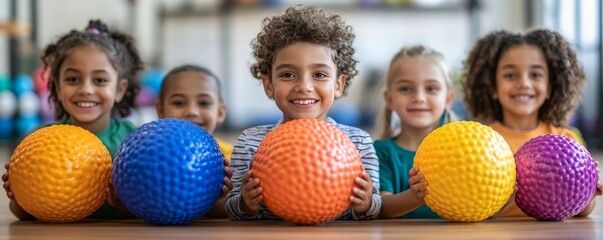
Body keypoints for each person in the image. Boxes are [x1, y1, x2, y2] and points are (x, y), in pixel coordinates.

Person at [225, 5, 381, 220]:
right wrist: (245, 204)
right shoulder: (250, 143)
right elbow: (232, 208)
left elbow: (374, 208)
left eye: (318, 74)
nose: (304, 86)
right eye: (288, 74)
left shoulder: (359, 142)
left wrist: (366, 204)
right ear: (268, 84)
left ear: (339, 84)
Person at [2, 19, 144, 220]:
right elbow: (25, 216)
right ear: (58, 87)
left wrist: (128, 205)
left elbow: (148, 208)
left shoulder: (135, 143)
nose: (86, 90)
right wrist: (19, 196)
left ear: (119, 89)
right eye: (73, 80)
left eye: (100, 80)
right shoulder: (41, 143)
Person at [462, 29, 602, 217]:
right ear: (493, 87)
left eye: (535, 75)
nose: (524, 84)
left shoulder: (567, 139)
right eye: (510, 75)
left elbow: (582, 212)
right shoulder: (479, 143)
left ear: (550, 88)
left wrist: (588, 194)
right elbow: (477, 210)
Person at [373, 45, 456, 218]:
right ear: (389, 98)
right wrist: (415, 196)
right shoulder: (382, 152)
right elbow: (380, 208)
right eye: (405, 89)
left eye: (431, 88)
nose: (418, 97)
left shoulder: (461, 152)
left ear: (448, 98)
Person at [155, 64, 233, 217]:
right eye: (178, 103)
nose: (191, 111)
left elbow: (233, 209)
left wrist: (220, 200)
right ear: (160, 110)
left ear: (220, 112)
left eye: (204, 103)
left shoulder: (231, 158)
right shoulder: (153, 156)